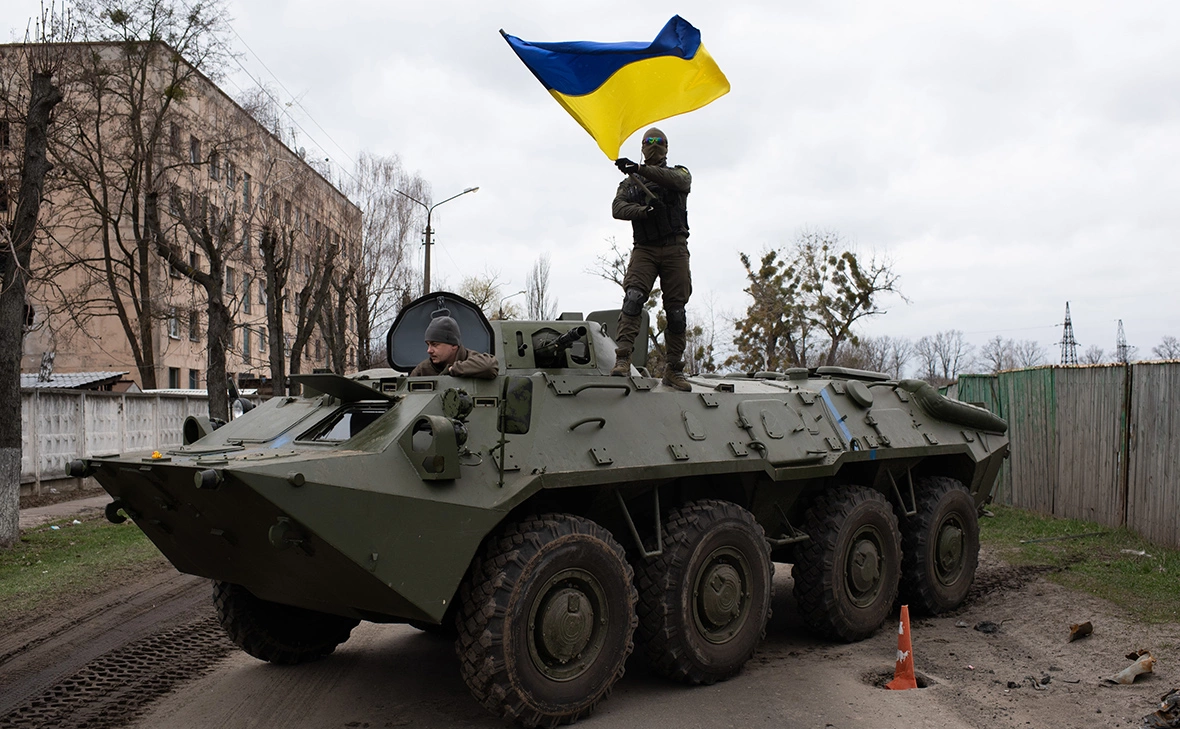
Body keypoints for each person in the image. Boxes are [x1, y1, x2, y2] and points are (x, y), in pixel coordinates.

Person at [610, 126, 693, 391]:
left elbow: (679, 182)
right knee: (633, 299)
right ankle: (623, 358)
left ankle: (674, 368)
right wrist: (646, 211)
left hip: (675, 249)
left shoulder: (678, 173)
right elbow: (618, 208)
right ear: (643, 147)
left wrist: (639, 170)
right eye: (649, 141)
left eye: (659, 142)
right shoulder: (629, 184)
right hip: (645, 249)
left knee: (676, 312)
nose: (654, 145)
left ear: (666, 148)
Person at [409, 314, 499, 378]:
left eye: (434, 345)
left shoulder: (470, 358)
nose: (429, 350)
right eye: (428, 344)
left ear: (454, 345)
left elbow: (489, 367)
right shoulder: (423, 370)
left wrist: (452, 369)